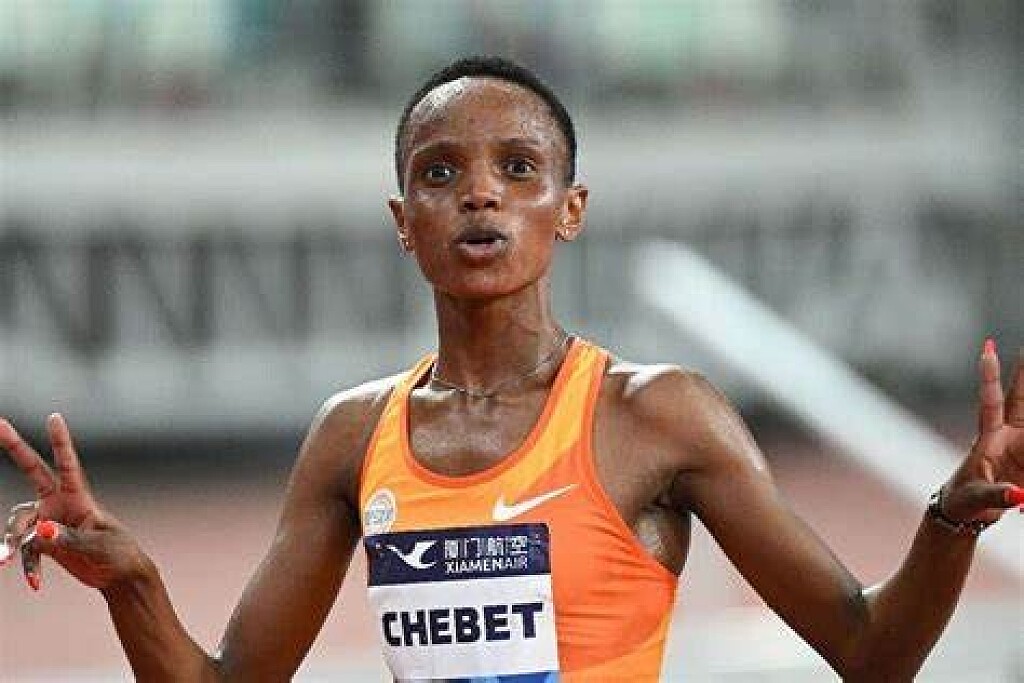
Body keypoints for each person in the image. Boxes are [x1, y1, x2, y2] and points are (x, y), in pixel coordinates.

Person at [1, 55, 1022, 682]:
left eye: (518, 168)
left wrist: (949, 518)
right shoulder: (354, 436)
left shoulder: (659, 416)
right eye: (440, 172)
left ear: (569, 209)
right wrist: (131, 584)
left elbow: (870, 651)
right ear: (404, 222)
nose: (479, 194)